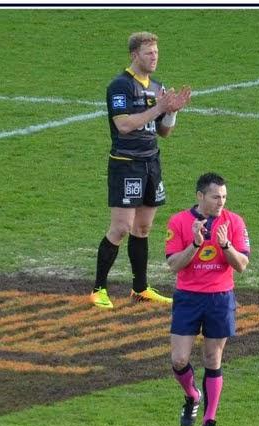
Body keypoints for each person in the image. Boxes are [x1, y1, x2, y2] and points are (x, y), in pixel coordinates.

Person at [90, 31, 192, 309]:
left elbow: (163, 132)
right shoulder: (120, 86)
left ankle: (140, 288)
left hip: (151, 162)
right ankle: (98, 289)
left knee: (143, 227)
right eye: (149, 53)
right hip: (126, 164)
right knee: (121, 227)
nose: (154, 57)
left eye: (156, 52)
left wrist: (171, 111)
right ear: (135, 55)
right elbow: (123, 125)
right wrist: (159, 107)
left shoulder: (157, 86)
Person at [165, 172, 250, 426]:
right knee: (179, 359)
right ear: (200, 196)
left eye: (224, 197)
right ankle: (193, 395)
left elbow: (241, 265)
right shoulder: (179, 221)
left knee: (213, 359)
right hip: (188, 297)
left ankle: (209, 421)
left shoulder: (234, 222)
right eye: (215, 197)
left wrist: (225, 245)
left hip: (220, 298)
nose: (221, 202)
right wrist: (195, 244)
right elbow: (173, 265)